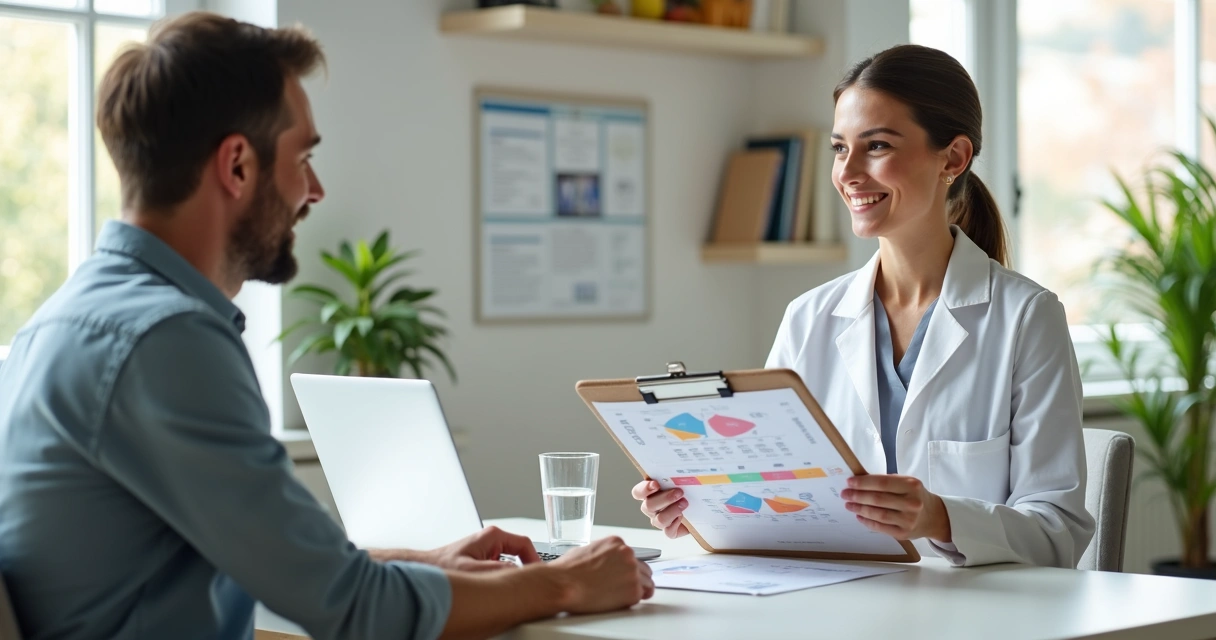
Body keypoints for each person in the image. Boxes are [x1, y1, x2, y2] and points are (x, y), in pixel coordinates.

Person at [0, 11, 652, 640]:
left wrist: (432, 562)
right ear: (237, 166)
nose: (314, 190)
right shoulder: (166, 343)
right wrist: (564, 585)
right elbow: (353, 611)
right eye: (302, 157)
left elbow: (274, 564)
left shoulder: (65, 323)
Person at [633, 45, 1095, 569]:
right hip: (834, 608)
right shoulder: (809, 318)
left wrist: (941, 517)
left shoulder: (1027, 318)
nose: (848, 172)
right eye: (839, 148)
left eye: (875, 146)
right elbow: (772, 501)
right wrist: (696, 507)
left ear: (954, 157)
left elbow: (1059, 532)